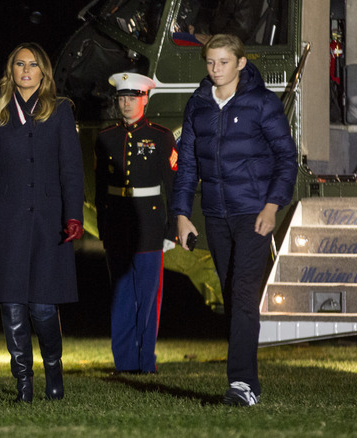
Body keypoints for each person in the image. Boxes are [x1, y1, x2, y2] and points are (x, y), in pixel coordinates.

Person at [172, 34, 297, 406]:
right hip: (215, 214)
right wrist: (181, 214)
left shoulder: (261, 103)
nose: (216, 69)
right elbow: (187, 165)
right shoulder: (198, 105)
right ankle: (250, 382)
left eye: (224, 62)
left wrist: (272, 207)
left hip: (254, 214)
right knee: (231, 297)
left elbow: (286, 159)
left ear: (241, 63)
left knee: (243, 295)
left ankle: (240, 384)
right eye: (210, 62)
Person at [0, 42, 84, 403]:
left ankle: (53, 373)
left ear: (43, 71)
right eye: (20, 64)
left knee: (44, 306)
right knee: (12, 304)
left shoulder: (60, 111)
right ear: (11, 70)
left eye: (33, 64)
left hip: (49, 222)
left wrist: (73, 213)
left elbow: (71, 169)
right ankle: (23, 384)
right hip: (6, 221)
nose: (26, 70)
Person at [95, 73, 178, 375]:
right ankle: (125, 363)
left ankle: (145, 362)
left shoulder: (160, 136)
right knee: (121, 297)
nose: (126, 104)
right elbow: (100, 185)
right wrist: (102, 225)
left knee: (147, 297)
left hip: (149, 226)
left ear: (145, 99)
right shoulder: (106, 137)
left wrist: (172, 230)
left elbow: (173, 186)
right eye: (121, 98)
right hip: (117, 223)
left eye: (133, 98)